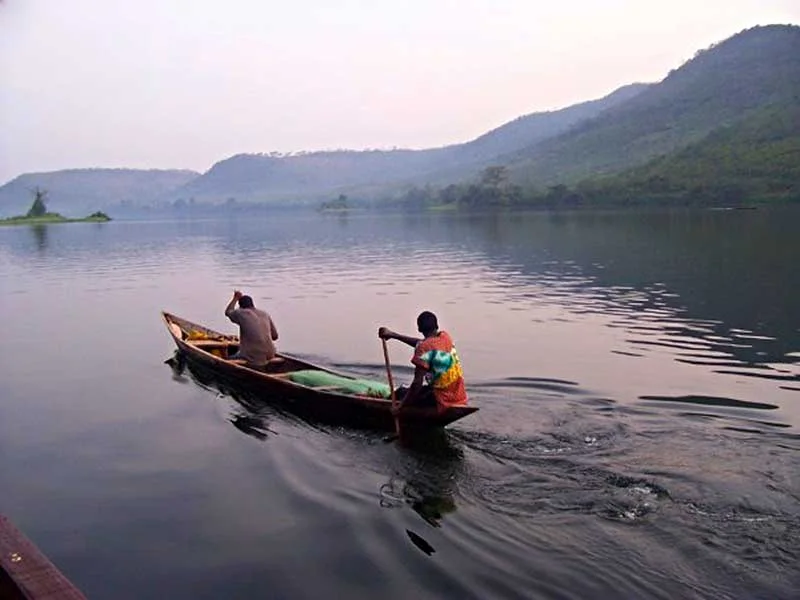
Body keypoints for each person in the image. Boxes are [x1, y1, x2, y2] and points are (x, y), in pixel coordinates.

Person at [378, 311, 468, 413]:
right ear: (437, 326)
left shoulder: (424, 348)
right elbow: (423, 343)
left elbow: (417, 384)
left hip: (441, 399)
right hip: (458, 396)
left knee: (400, 393)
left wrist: (400, 407)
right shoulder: (445, 337)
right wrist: (393, 335)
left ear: (419, 329)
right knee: (415, 392)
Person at [224, 290, 279, 366]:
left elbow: (228, 312)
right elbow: (275, 336)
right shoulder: (264, 314)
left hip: (252, 356)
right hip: (270, 354)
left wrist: (235, 298)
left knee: (226, 359)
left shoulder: (240, 313)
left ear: (240, 306)